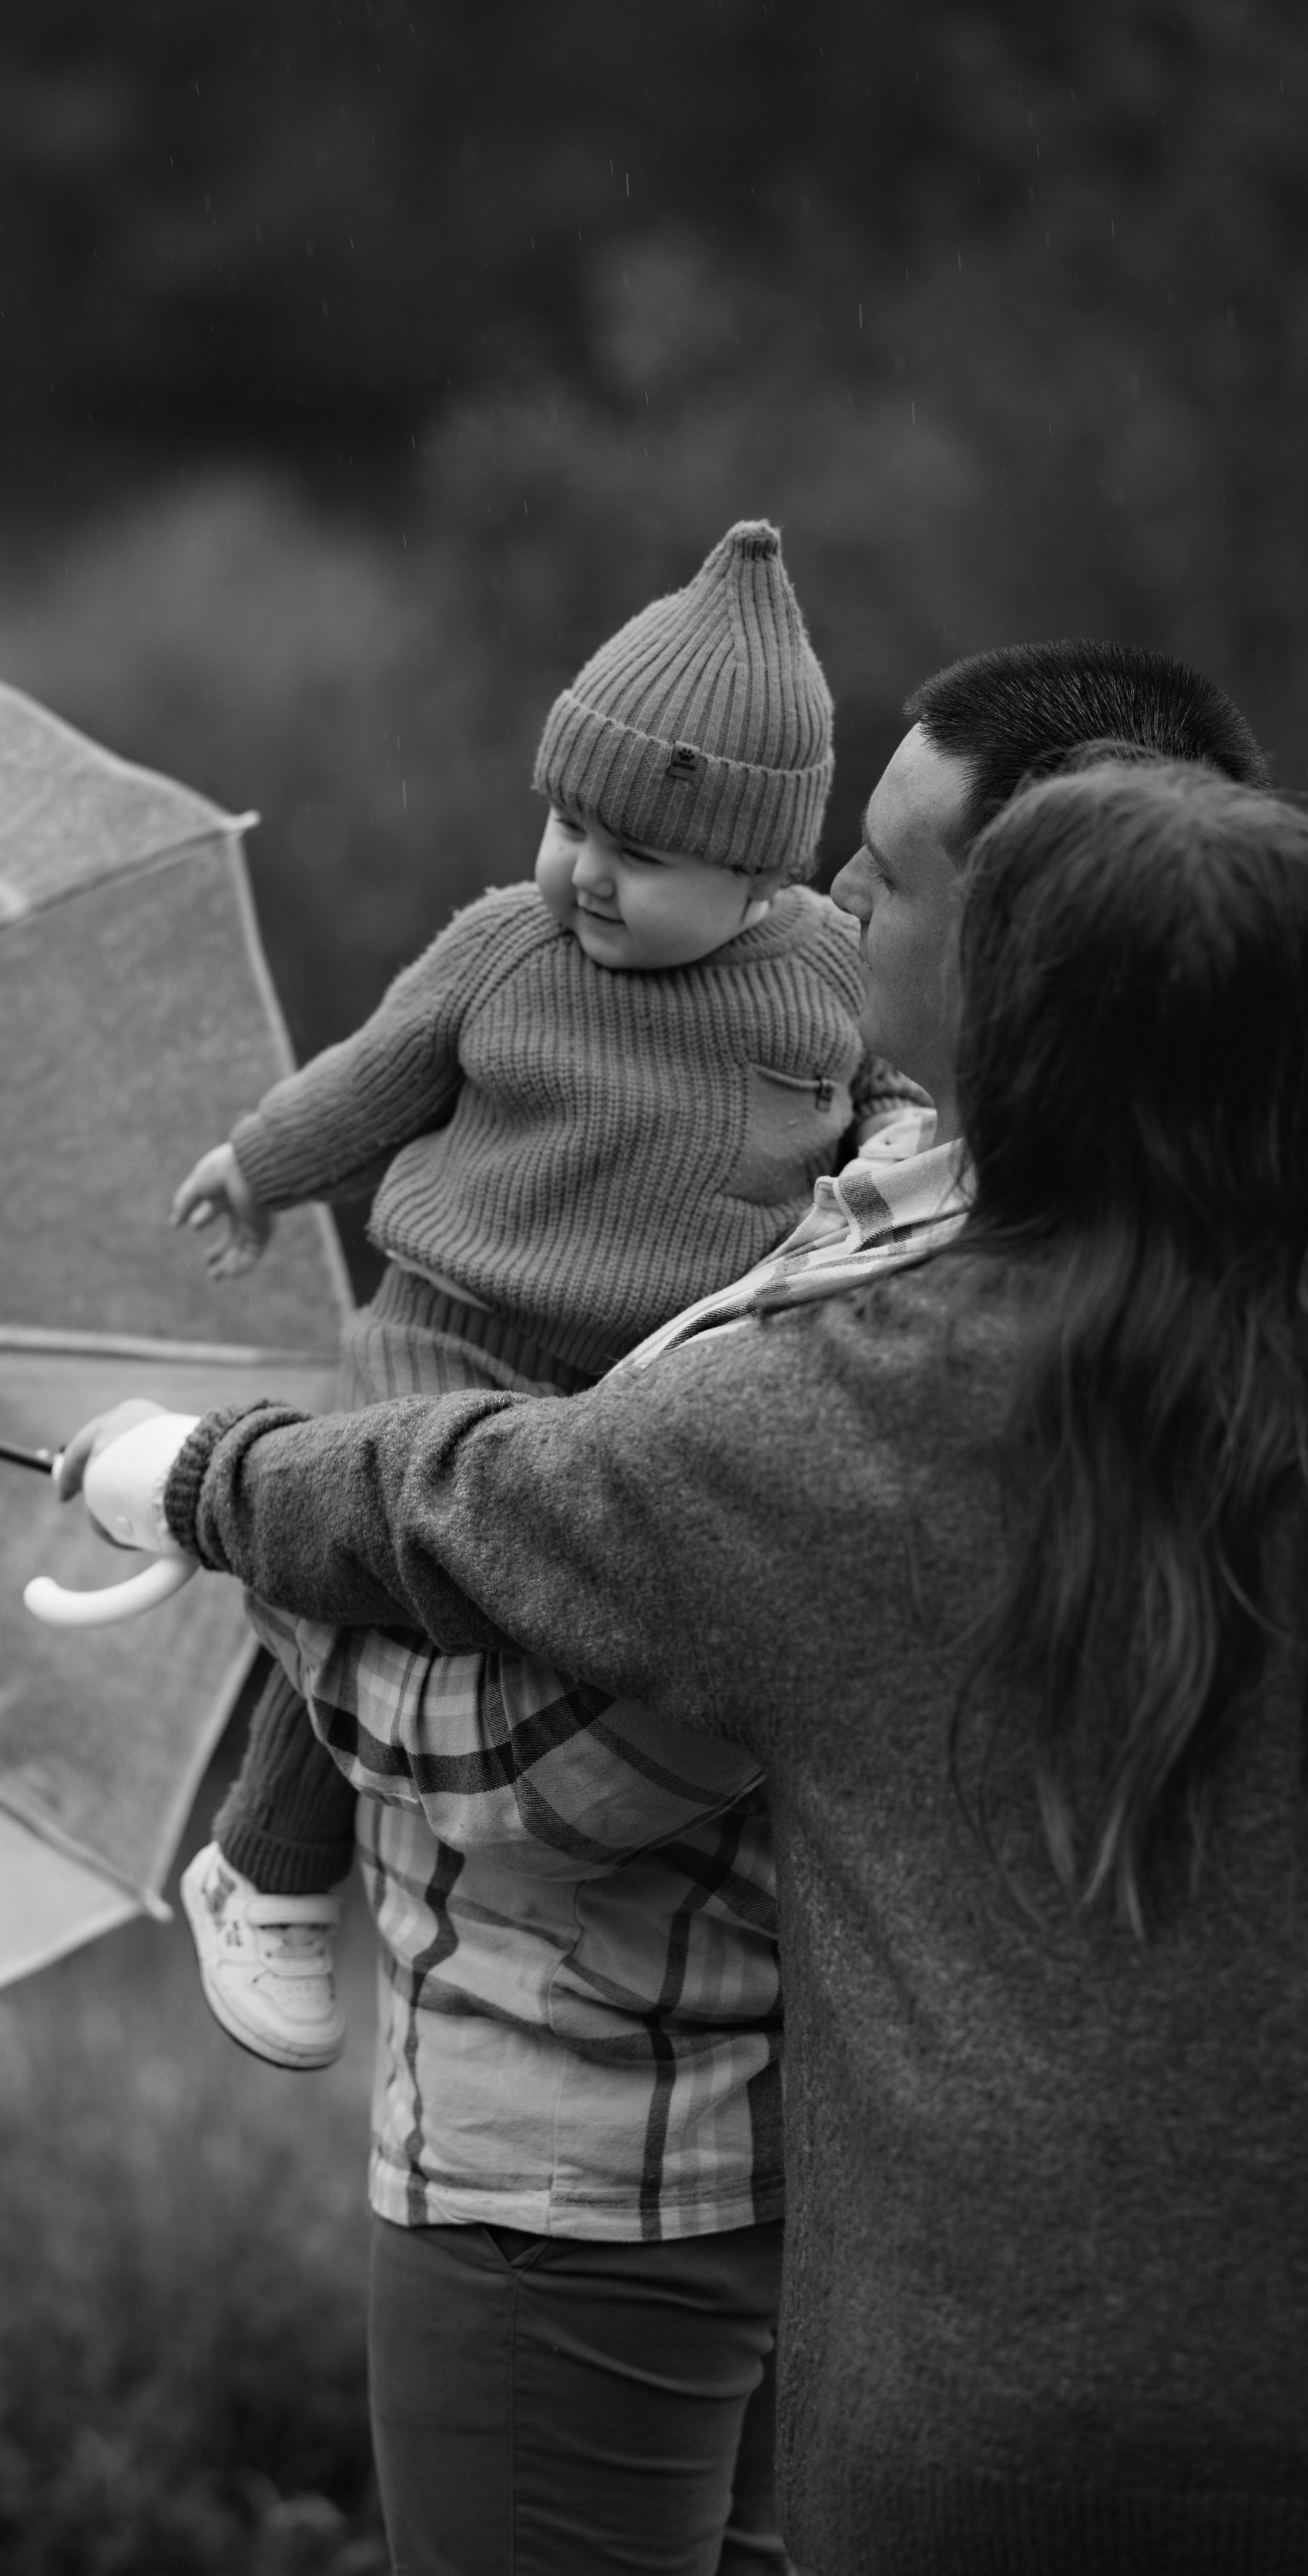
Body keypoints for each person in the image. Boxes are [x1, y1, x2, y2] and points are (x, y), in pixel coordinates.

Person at [70, 751, 1308, 2575]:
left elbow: (470, 1502)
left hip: (963, 2419)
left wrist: (190, 1477)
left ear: (1016, 1043)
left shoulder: (885, 1397)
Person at [169, 518, 898, 2075]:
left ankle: (538, 1886)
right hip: (450, 1324)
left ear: (758, 867)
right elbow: (377, 1076)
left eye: (638, 853)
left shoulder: (824, 973)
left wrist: (905, 1145)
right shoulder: (507, 948)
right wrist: (259, 1163)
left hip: (642, 1376)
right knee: (367, 1556)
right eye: (568, 821)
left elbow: (876, 1098)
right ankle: (266, 1865)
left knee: (567, 1605)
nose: (584, 870)